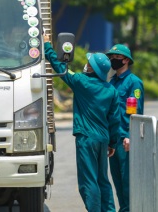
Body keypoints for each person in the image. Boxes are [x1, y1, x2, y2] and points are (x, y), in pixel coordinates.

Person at [43, 34, 129, 212]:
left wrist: (47, 46)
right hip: (103, 139)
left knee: (88, 182)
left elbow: (60, 68)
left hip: (86, 139)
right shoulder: (111, 91)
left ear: (93, 69)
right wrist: (113, 143)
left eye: (89, 64)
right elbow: (114, 120)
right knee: (102, 180)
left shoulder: (82, 83)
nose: (86, 65)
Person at [106, 43, 144, 212]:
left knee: (128, 182)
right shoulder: (111, 82)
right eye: (111, 58)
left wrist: (131, 135)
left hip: (125, 140)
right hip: (113, 140)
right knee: (118, 182)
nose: (113, 61)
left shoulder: (134, 83)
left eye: (117, 58)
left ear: (126, 60)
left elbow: (137, 113)